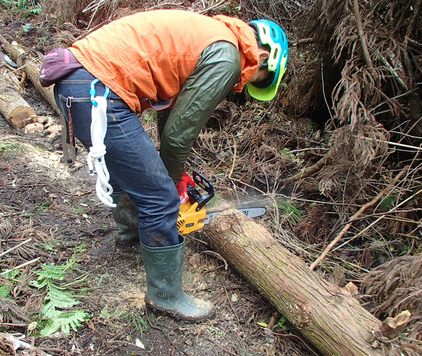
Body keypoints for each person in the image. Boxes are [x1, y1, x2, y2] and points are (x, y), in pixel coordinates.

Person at [40, 9, 288, 322]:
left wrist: (172, 170)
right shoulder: (228, 57)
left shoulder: (211, 36)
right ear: (264, 56)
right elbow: (179, 133)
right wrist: (171, 182)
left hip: (78, 84)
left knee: (129, 167)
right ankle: (166, 295)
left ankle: (131, 239)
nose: (249, 83)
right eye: (261, 77)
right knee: (160, 197)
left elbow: (168, 111)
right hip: (96, 90)